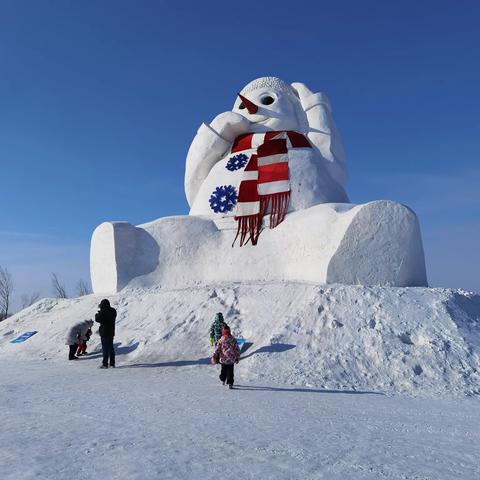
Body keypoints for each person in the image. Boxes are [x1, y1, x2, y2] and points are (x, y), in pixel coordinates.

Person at [212, 325, 240, 389]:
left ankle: (223, 379)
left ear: (223, 332)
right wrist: (237, 357)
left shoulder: (221, 339)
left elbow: (217, 348)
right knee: (230, 372)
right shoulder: (233, 339)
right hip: (231, 359)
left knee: (223, 371)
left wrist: (215, 355)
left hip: (224, 359)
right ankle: (230, 382)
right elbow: (237, 349)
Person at [95, 298, 117, 369]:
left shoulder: (103, 311)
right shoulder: (113, 311)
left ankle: (105, 364)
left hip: (104, 332)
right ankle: (112, 364)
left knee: (105, 348)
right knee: (111, 348)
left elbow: (97, 319)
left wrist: (98, 313)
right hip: (111, 332)